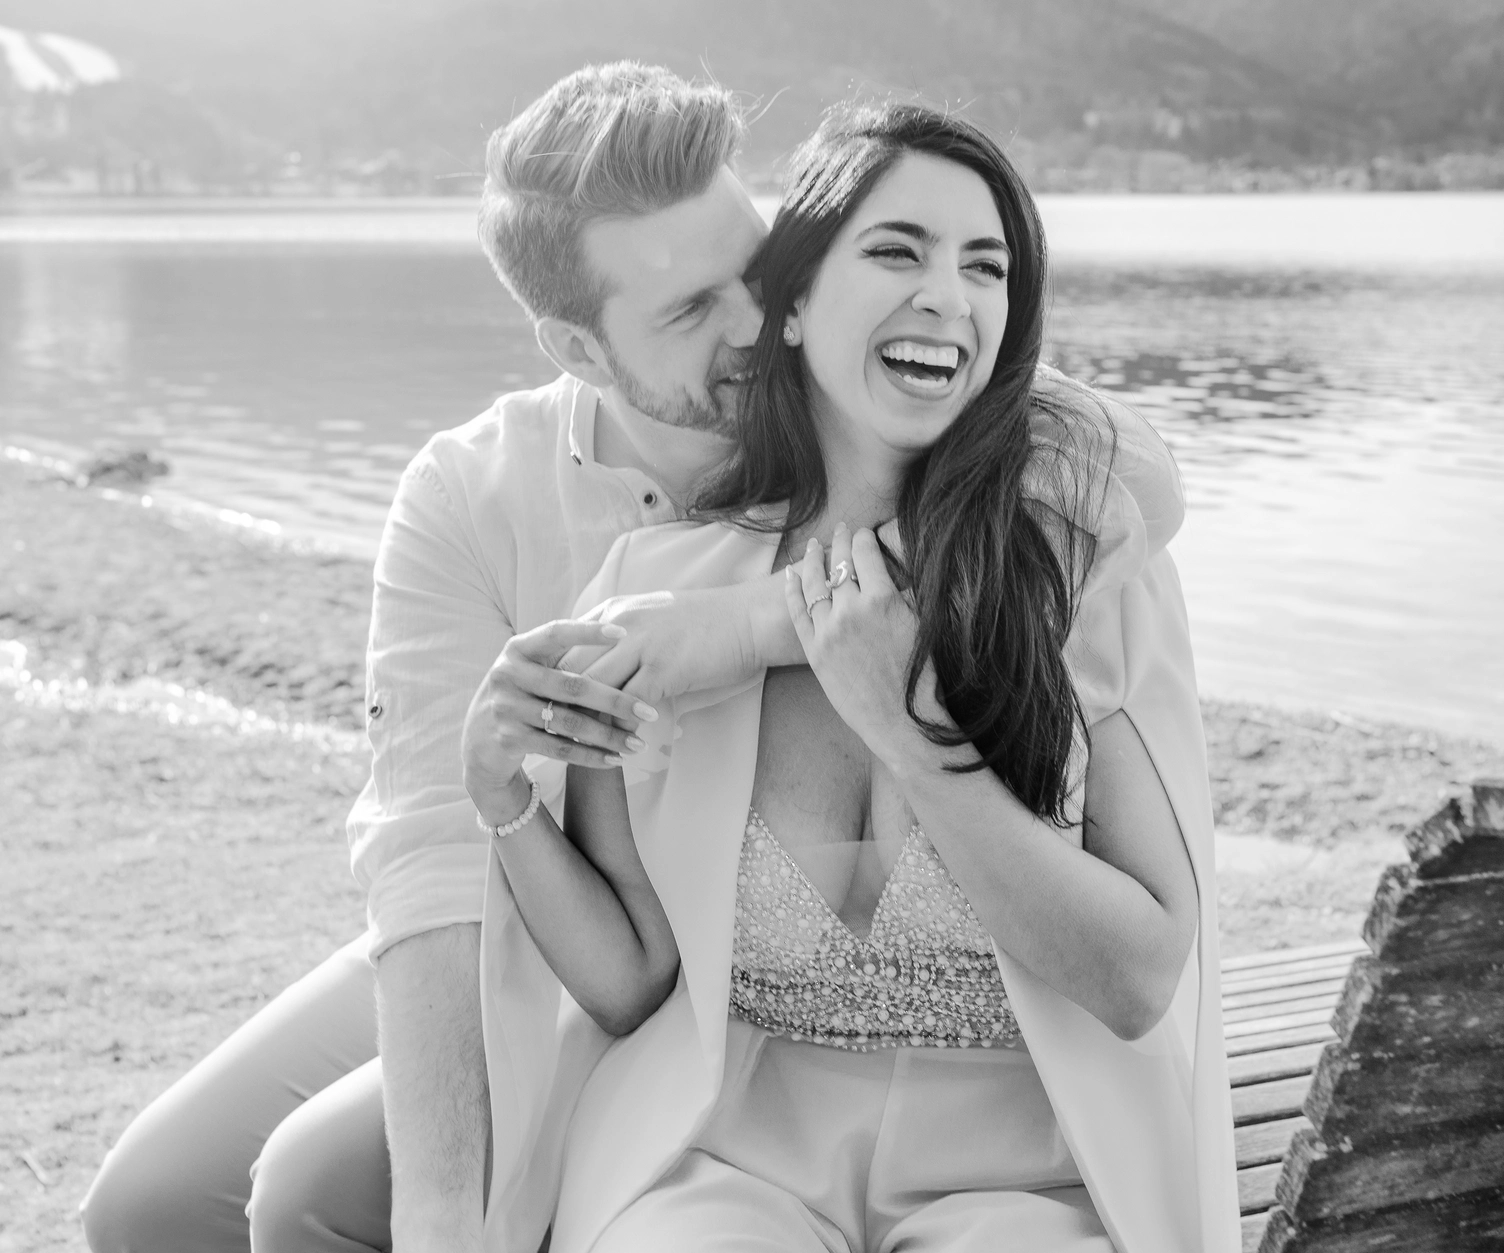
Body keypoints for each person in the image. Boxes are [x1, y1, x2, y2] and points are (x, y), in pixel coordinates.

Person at [80, 65, 1185, 1253]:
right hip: (540, 914)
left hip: (836, 1045)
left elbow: (1121, 477)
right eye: (686, 310)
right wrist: (446, 1213)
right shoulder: (473, 493)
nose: (754, 325)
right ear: (576, 344)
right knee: (170, 1203)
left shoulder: (896, 399)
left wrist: (746, 628)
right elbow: (433, 864)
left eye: (755, 271)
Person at [473, 103, 1234, 1253]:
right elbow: (630, 979)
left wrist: (904, 727)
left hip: (1029, 1180)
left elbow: (1137, 976)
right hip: (724, 1162)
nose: (948, 295)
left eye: (987, 267)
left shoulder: (1085, 569)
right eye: (896, 251)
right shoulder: (659, 584)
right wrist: (503, 799)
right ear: (790, 306)